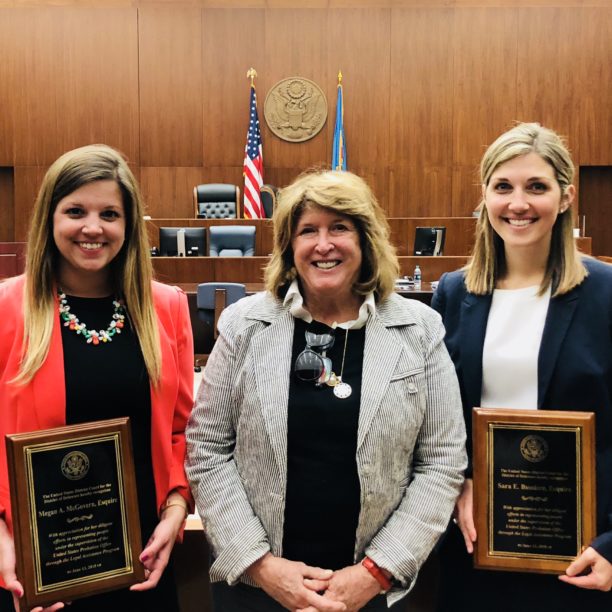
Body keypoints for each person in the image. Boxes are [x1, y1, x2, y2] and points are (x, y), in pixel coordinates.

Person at [185, 169, 467, 611]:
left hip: (371, 590)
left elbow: (442, 461)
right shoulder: (244, 325)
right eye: (307, 231)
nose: (323, 244)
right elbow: (207, 449)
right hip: (258, 590)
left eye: (340, 228)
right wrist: (261, 565)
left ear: (366, 240)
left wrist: (375, 572)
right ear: (289, 247)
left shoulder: (419, 328)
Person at [0, 145, 194, 612]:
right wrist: (3, 537)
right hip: (33, 567)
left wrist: (176, 509)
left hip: (141, 560)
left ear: (128, 225)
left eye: (110, 213)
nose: (93, 227)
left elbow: (184, 431)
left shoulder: (165, 308)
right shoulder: (6, 308)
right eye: (75, 211)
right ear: (49, 217)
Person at [432, 123, 612, 611]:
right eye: (503, 187)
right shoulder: (454, 293)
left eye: (537, 187)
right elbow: (436, 418)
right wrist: (459, 480)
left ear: (566, 195)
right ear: (485, 196)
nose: (518, 204)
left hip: (582, 552)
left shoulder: (605, 292)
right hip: (475, 542)